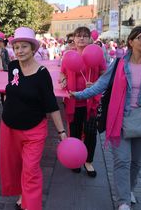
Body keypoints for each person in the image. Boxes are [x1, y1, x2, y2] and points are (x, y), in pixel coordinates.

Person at [71, 26, 141, 210]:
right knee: (122, 161)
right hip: (119, 119)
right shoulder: (119, 63)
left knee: (136, 162)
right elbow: (102, 84)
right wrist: (80, 94)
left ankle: (129, 190)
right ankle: (123, 201)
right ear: (131, 41)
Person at [0, 27, 67, 210]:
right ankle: (22, 194)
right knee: (14, 166)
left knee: (30, 170)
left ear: (33, 49)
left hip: (34, 130)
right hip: (9, 126)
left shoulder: (42, 73)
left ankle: (31, 206)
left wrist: (61, 131)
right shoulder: (13, 66)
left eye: (24, 47)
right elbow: (12, 90)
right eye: (17, 47)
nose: (19, 51)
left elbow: (51, 104)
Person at [60, 26, 106, 177]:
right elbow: (62, 74)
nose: (81, 38)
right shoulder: (68, 55)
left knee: (91, 132)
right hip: (73, 101)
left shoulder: (97, 54)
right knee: (74, 132)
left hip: (91, 102)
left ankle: (88, 161)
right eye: (78, 36)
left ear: (89, 38)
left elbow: (104, 75)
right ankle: (75, 159)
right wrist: (64, 80)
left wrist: (96, 84)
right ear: (74, 38)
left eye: (85, 36)